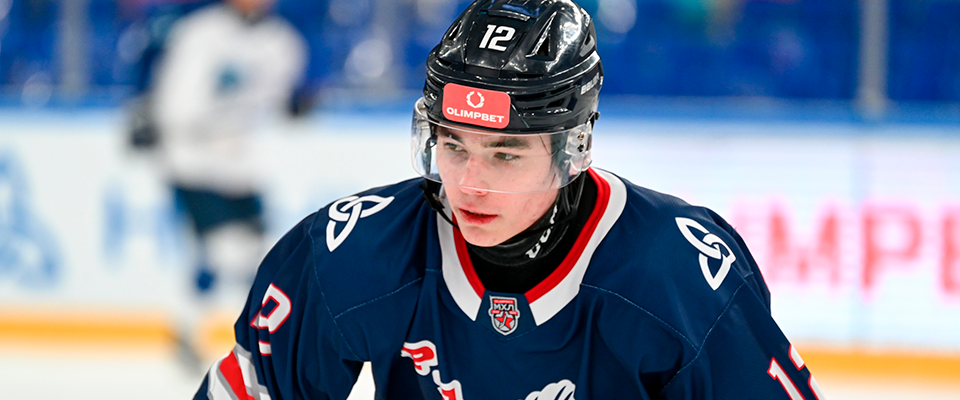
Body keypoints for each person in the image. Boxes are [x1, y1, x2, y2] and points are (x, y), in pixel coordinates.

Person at [194, 0, 825, 398]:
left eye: (505, 154)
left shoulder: (677, 276)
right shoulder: (355, 252)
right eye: (453, 144)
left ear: (571, 150)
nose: (469, 182)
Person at [150, 0, 307, 298]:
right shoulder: (200, 32)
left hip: (239, 163)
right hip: (192, 159)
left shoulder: (281, 41)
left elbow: (276, 98)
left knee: (255, 251)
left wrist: (291, 105)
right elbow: (175, 105)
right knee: (222, 252)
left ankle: (227, 316)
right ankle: (191, 317)